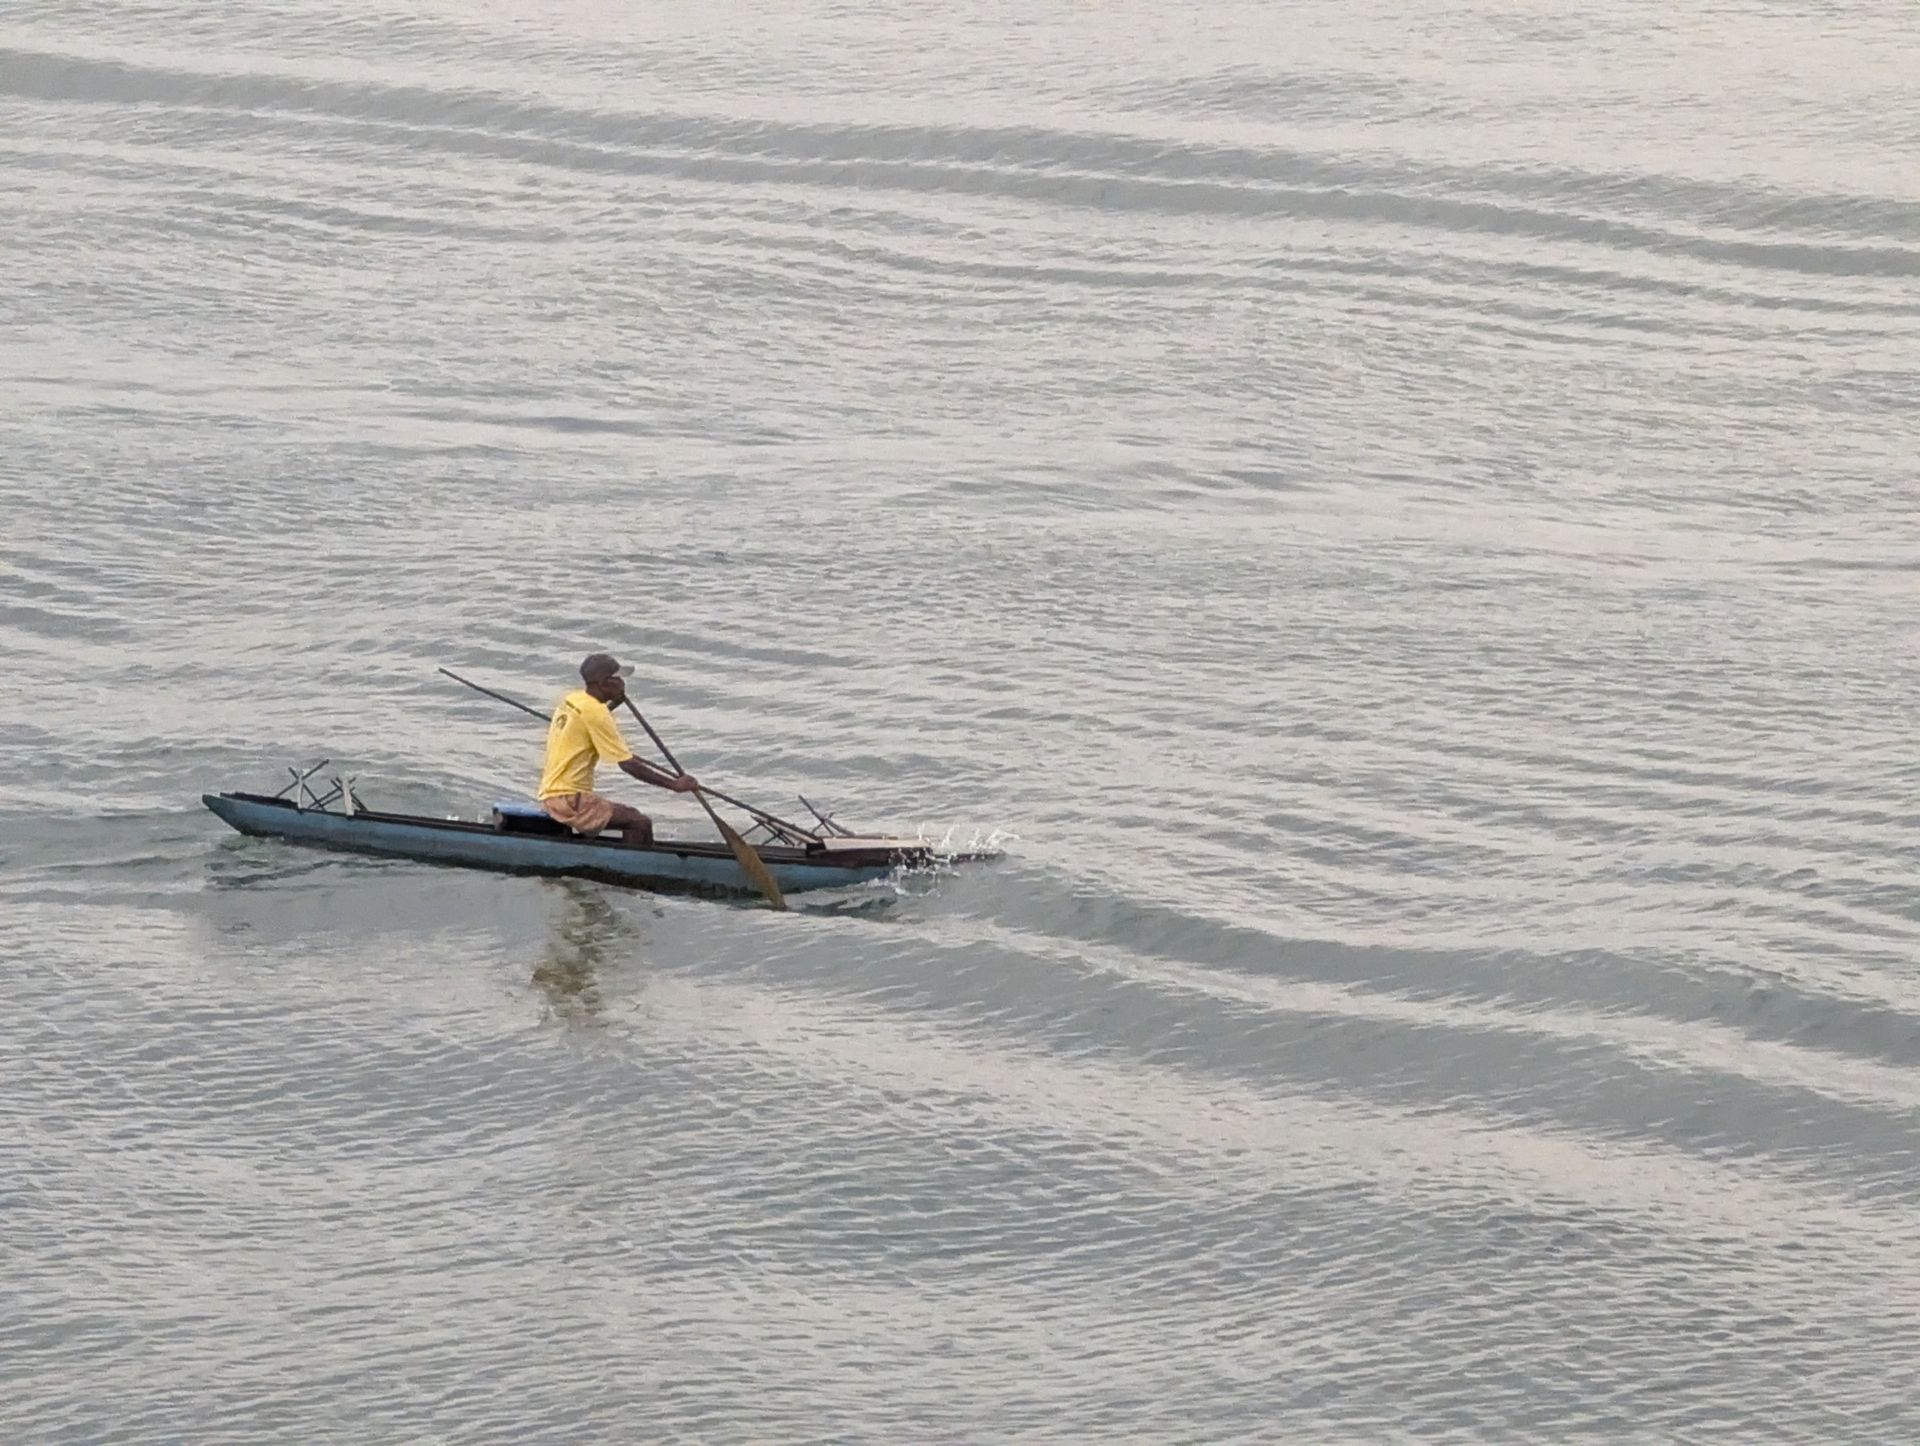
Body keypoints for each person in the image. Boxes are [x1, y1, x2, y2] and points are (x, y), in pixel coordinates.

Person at [537, 653, 697, 845]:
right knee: (639, 823)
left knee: (634, 818)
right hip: (569, 799)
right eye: (618, 679)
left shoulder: (573, 699)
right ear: (604, 683)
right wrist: (674, 785)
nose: (622, 683)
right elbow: (628, 765)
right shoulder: (597, 712)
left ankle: (638, 858)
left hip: (552, 793)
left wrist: (612, 703)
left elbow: (587, 722)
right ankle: (636, 870)